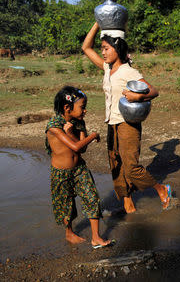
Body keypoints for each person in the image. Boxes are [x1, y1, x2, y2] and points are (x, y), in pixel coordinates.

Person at [82, 22, 171, 213]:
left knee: (131, 167)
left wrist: (138, 96)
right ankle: (127, 200)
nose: (103, 53)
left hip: (127, 124)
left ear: (117, 48)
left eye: (106, 48)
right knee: (116, 164)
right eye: (102, 49)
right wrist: (98, 22)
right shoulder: (107, 69)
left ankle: (161, 188)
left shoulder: (128, 72)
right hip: (111, 124)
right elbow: (85, 47)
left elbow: (154, 91)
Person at [45, 86, 112, 248]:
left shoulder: (79, 122)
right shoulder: (54, 126)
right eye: (82, 107)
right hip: (61, 173)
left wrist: (74, 133)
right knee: (65, 204)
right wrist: (93, 136)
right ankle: (69, 233)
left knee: (91, 197)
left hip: (79, 169)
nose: (85, 111)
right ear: (67, 108)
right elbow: (75, 147)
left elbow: (82, 149)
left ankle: (96, 237)